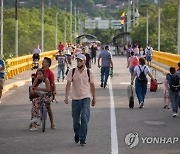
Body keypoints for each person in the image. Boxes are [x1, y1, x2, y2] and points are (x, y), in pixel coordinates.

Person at [64, 53, 96, 146]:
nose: (78, 62)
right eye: (77, 60)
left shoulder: (89, 72)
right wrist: (66, 96)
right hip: (75, 99)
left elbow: (92, 86)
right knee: (75, 120)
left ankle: (83, 138)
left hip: (86, 97)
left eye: (80, 61)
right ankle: (77, 132)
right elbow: (68, 84)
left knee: (84, 117)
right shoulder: (72, 71)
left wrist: (94, 98)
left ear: (84, 62)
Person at [29, 57, 56, 130]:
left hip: (46, 92)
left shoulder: (50, 73)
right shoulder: (38, 71)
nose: (42, 63)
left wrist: (54, 91)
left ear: (48, 64)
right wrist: (33, 89)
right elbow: (34, 81)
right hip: (38, 92)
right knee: (34, 106)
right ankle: (32, 123)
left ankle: (52, 123)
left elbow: (52, 83)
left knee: (48, 107)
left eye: (44, 62)